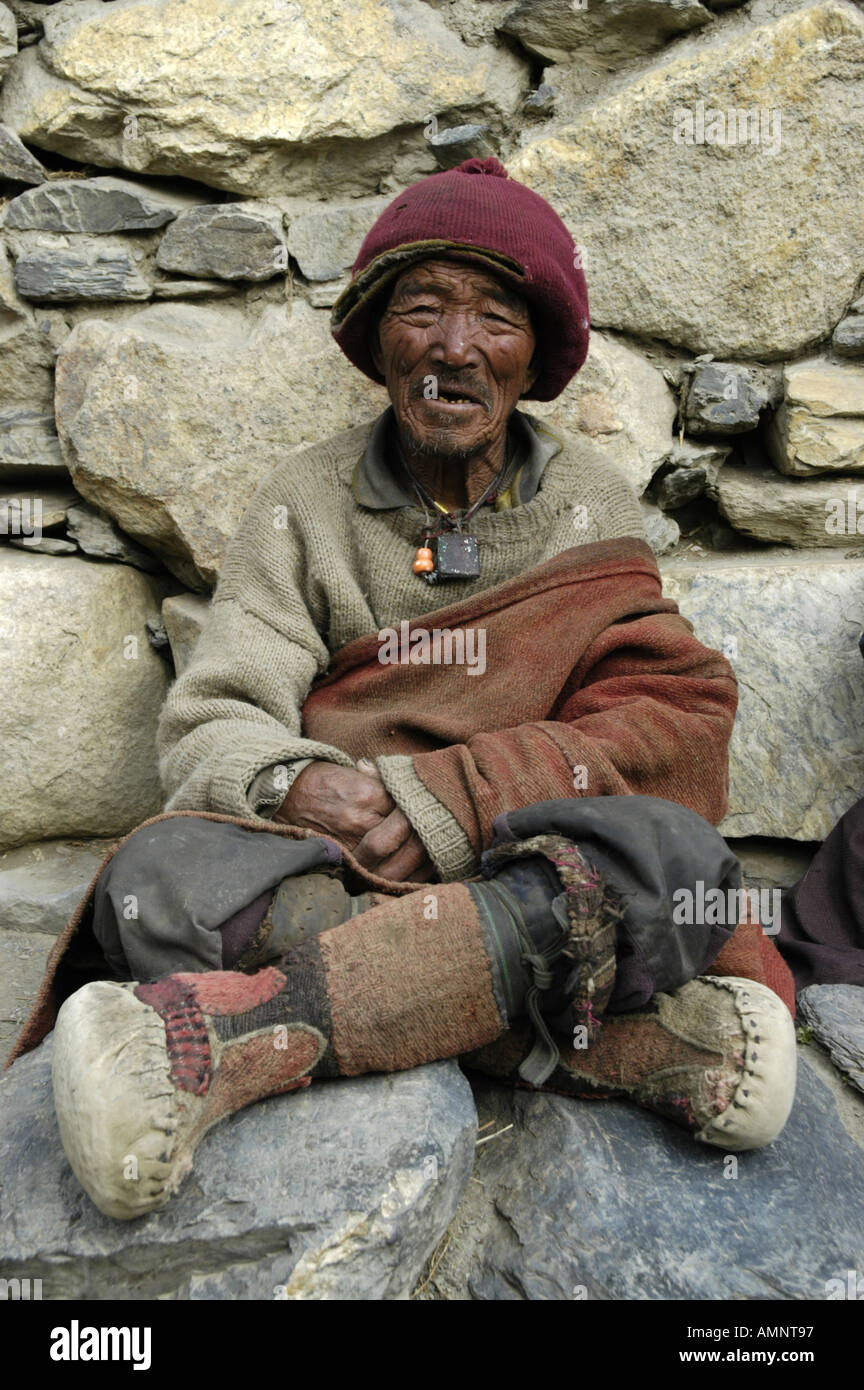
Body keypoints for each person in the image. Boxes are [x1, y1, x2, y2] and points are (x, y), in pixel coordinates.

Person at [17, 158, 797, 1221]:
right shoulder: (304, 500)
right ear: (378, 338)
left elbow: (670, 723)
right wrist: (309, 790)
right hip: (347, 862)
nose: (455, 348)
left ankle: (223, 1039)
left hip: (524, 858)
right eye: (422, 309)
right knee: (155, 874)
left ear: (535, 358)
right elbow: (214, 716)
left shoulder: (590, 505)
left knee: (672, 859)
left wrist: (452, 799)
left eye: (494, 318)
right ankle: (588, 1042)